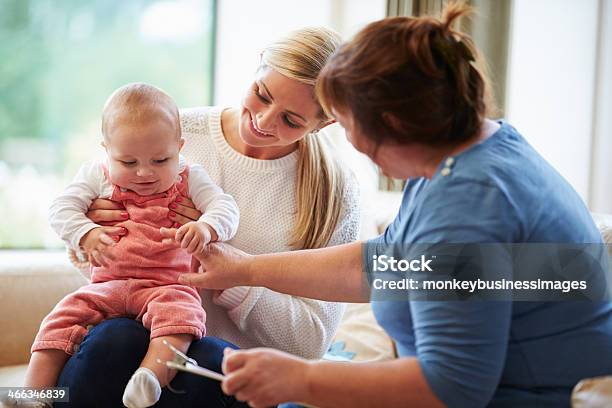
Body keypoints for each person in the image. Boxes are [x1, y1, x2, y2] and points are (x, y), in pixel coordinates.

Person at [178, 3, 612, 408]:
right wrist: (245, 270)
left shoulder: (466, 207)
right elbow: (388, 264)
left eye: (346, 123)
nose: (348, 140)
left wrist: (302, 380)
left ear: (394, 125)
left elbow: (454, 385)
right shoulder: (474, 150)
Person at [56, 28, 360, 407]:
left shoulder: (334, 191)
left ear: (325, 123)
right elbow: (101, 267)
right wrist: (93, 233)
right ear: (259, 60)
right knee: (114, 339)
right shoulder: (172, 133)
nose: (264, 121)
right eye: (262, 94)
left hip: (223, 377)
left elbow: (312, 343)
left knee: (218, 360)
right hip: (128, 344)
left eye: (292, 120)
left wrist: (236, 274)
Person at [24, 83, 239, 408]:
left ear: (179, 148)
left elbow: (226, 208)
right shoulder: (97, 176)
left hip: (166, 285)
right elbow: (60, 209)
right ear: (106, 151)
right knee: (60, 320)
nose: (143, 172)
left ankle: (150, 378)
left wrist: (207, 227)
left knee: (181, 318)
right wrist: (85, 233)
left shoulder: (191, 177)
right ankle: (32, 395)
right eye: (127, 162)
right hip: (107, 285)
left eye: (160, 159)